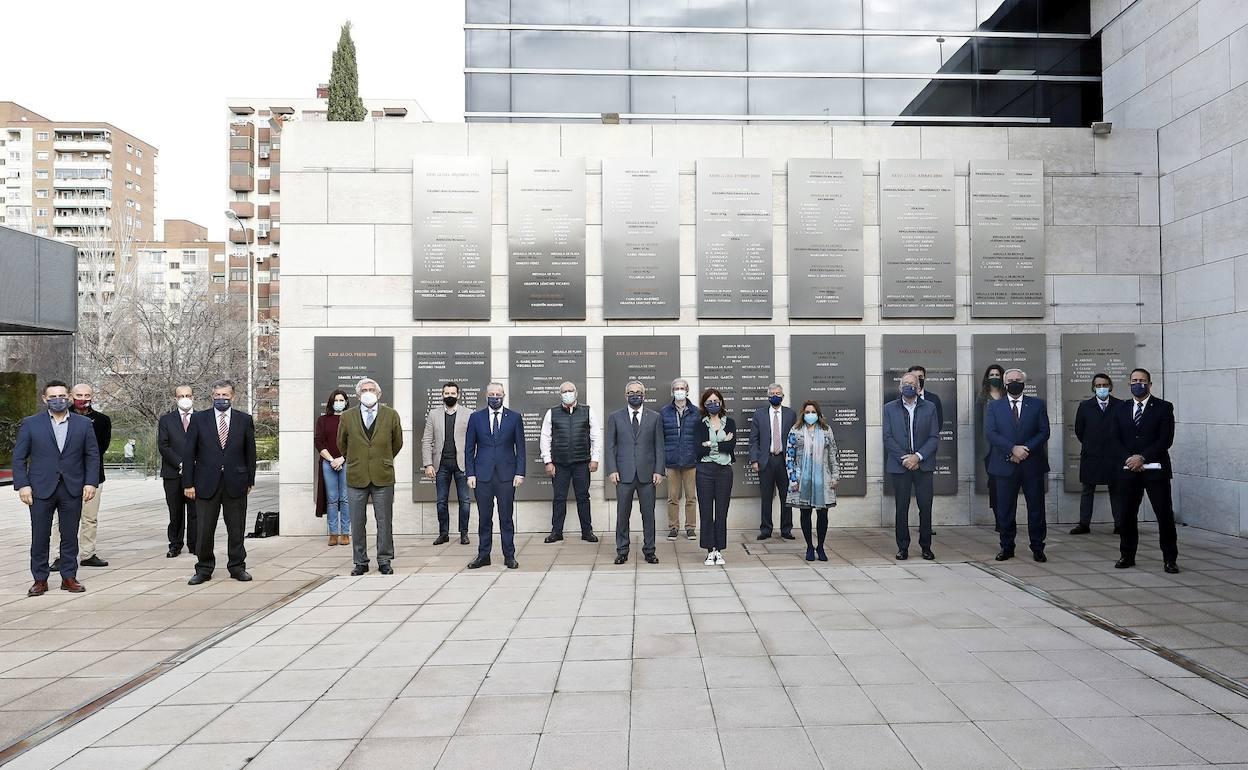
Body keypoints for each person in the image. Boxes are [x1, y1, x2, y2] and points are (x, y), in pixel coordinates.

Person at [12, 381, 100, 596]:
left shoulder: (83, 424)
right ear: (44, 399)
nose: (58, 400)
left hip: (72, 487)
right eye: (53, 397)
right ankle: (40, 579)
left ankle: (69, 577)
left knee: (69, 535)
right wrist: (22, 485)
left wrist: (90, 482)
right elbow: (19, 457)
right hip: (40, 489)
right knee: (40, 535)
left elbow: (92, 455)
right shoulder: (31, 424)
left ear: (69, 397)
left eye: (62, 395)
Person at [184, 379, 257, 584]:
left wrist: (250, 479)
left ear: (232, 396)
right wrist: (188, 483)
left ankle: (237, 567)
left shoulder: (244, 420)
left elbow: (250, 452)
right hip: (206, 483)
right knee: (205, 529)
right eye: (217, 395)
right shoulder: (199, 419)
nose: (221, 399)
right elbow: (189, 453)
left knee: (236, 528)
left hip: (236, 482)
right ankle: (204, 568)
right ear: (212, 396)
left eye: (225, 395)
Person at [1109, 368, 1179, 573]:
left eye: (1141, 380)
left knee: (1164, 515)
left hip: (1155, 470)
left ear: (1149, 384)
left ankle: (1170, 558)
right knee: (1127, 515)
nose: (1137, 383)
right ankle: (1127, 555)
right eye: (1134, 380)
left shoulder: (1164, 407)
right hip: (1128, 469)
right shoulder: (1121, 408)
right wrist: (1128, 459)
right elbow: (1114, 439)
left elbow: (1165, 439)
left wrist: (1143, 457)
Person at [338, 377, 403, 576]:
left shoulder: (391, 415)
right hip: (357, 476)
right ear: (358, 395)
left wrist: (382, 459)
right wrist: (356, 460)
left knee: (384, 520)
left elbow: (397, 442)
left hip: (382, 475)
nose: (368, 392)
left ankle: (384, 559)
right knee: (357, 522)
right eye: (364, 389)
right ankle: (360, 562)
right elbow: (342, 443)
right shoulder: (347, 416)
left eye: (371, 389)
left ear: (378, 394)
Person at [985, 368, 1051, 562]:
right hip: (1005, 465)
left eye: (1018, 379)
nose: (1014, 382)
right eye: (1011, 380)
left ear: (1024, 382)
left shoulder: (1037, 404)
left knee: (1036, 508)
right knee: (1005, 509)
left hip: (1032, 465)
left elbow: (1044, 432)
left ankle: (1038, 547)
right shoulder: (994, 407)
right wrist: (1012, 449)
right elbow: (991, 432)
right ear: (1005, 384)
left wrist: (1025, 450)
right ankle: (1007, 547)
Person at [465, 382, 525, 569]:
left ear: (504, 395)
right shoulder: (476, 418)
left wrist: (520, 472)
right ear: (486, 395)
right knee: (484, 518)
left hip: (507, 475)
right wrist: (470, 473)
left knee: (506, 518)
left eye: (498, 394)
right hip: (482, 475)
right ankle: (484, 555)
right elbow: (468, 449)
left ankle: (509, 555)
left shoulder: (514, 418)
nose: (495, 397)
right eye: (491, 393)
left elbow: (520, 449)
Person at [606, 381, 666, 565]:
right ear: (625, 395)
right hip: (623, 474)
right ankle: (622, 550)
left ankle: (650, 551)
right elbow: (610, 446)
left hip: (648, 475)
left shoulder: (655, 417)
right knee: (622, 514)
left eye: (638, 392)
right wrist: (612, 469)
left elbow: (659, 446)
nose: (635, 395)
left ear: (644, 395)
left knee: (648, 515)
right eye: (631, 392)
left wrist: (659, 470)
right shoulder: (615, 417)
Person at [883, 373, 940, 561]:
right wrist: (904, 458)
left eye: (913, 384)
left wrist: (917, 457)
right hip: (900, 466)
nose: (909, 386)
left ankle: (926, 547)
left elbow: (933, 437)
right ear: (900, 387)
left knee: (925, 507)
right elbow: (888, 437)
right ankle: (902, 547)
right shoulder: (889, 408)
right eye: (905, 384)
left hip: (923, 466)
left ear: (918, 386)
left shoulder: (930, 407)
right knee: (901, 507)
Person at [539, 381, 601, 543]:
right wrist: (548, 461)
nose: (567, 393)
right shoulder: (552, 413)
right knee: (559, 498)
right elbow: (545, 438)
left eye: (570, 390)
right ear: (560, 394)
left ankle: (587, 532)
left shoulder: (587, 411)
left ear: (576, 392)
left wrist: (595, 459)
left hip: (582, 463)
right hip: (559, 463)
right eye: (564, 391)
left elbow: (596, 436)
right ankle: (556, 532)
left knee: (583, 497)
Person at [785, 401, 839, 562]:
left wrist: (835, 476)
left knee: (823, 514)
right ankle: (809, 546)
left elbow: (833, 455)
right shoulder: (795, 431)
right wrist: (792, 479)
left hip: (822, 478)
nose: (810, 415)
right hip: (802, 478)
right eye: (807, 412)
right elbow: (789, 457)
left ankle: (821, 546)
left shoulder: (826, 430)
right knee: (805, 512)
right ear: (803, 413)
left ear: (818, 413)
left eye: (813, 412)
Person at [1072, 373, 1123, 536]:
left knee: (1116, 490)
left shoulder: (1120, 405)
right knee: (1087, 489)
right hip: (1091, 455)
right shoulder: (1085, 406)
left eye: (1105, 385)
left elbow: (1124, 430)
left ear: (1110, 386)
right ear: (1093, 388)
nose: (1102, 388)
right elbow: (1079, 430)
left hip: (1114, 455)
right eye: (1098, 385)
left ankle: (1120, 524)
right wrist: (1091, 444)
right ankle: (1084, 524)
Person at [422, 382, 472, 546]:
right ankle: (443, 533)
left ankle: (464, 533)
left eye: (452, 393)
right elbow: (427, 440)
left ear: (458, 395)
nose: (449, 396)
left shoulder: (469, 414)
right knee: (441, 501)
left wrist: (473, 464)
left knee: (464, 501)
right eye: (446, 393)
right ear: (442, 395)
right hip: (441, 465)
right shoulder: (433, 414)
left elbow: (474, 442)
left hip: (462, 464)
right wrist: (428, 464)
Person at [68, 383, 111, 568]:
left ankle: (87, 553)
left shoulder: (102, 420)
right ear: (71, 396)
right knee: (61, 519)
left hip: (92, 476)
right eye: (79, 395)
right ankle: (59, 556)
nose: (83, 399)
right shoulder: (62, 416)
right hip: (66, 475)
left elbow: (101, 448)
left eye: (87, 395)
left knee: (89, 517)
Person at [750, 383, 797, 541]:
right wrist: (754, 460)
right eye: (772, 393)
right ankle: (766, 529)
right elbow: (754, 439)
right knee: (766, 497)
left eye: (778, 393)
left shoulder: (791, 414)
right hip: (766, 460)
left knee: (786, 497)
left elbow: (795, 439)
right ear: (768, 396)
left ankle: (786, 529)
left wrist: (795, 462)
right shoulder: (759, 414)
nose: (775, 395)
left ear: (783, 395)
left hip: (785, 461)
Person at [695, 388, 735, 566]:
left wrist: (710, 444)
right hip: (704, 470)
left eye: (716, 401)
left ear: (721, 403)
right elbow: (698, 448)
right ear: (704, 404)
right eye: (709, 402)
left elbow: (731, 446)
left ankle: (719, 549)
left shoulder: (730, 422)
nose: (713, 404)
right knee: (706, 511)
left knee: (721, 511)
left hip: (724, 471)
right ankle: (709, 550)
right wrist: (720, 442)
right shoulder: (699, 424)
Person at [157, 385, 197, 557]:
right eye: (181, 396)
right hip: (173, 473)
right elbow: (164, 446)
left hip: (197, 473)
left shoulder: (202, 418)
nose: (185, 398)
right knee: (175, 512)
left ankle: (195, 544)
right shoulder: (166, 420)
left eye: (188, 395)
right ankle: (175, 544)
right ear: (175, 398)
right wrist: (181, 464)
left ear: (193, 397)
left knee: (195, 512)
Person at [660, 378, 700, 542]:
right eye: (676, 388)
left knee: (691, 497)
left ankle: (690, 528)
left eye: (682, 388)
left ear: (687, 390)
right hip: (671, 460)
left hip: (691, 460)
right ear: (672, 392)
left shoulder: (696, 412)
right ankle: (673, 528)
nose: (679, 391)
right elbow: (661, 437)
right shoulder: (664, 412)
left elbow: (699, 436)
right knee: (672, 497)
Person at [315, 389, 351, 547]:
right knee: (332, 499)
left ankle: (345, 533)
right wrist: (332, 460)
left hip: (346, 461)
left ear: (346, 402)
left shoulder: (351, 419)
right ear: (331, 402)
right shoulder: (322, 420)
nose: (339, 403)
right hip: (328, 463)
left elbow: (354, 442)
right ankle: (333, 534)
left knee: (345, 498)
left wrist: (342, 459)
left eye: (341, 400)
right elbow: (319, 442)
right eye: (336, 400)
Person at [977, 365, 1006, 531]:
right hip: (990, 450)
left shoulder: (1007, 396)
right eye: (991, 374)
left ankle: (1008, 518)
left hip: (1008, 448)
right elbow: (979, 425)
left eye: (997, 374)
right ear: (987, 377)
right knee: (994, 484)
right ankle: (999, 520)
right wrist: (983, 449)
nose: (994, 376)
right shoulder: (982, 398)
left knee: (1007, 485)